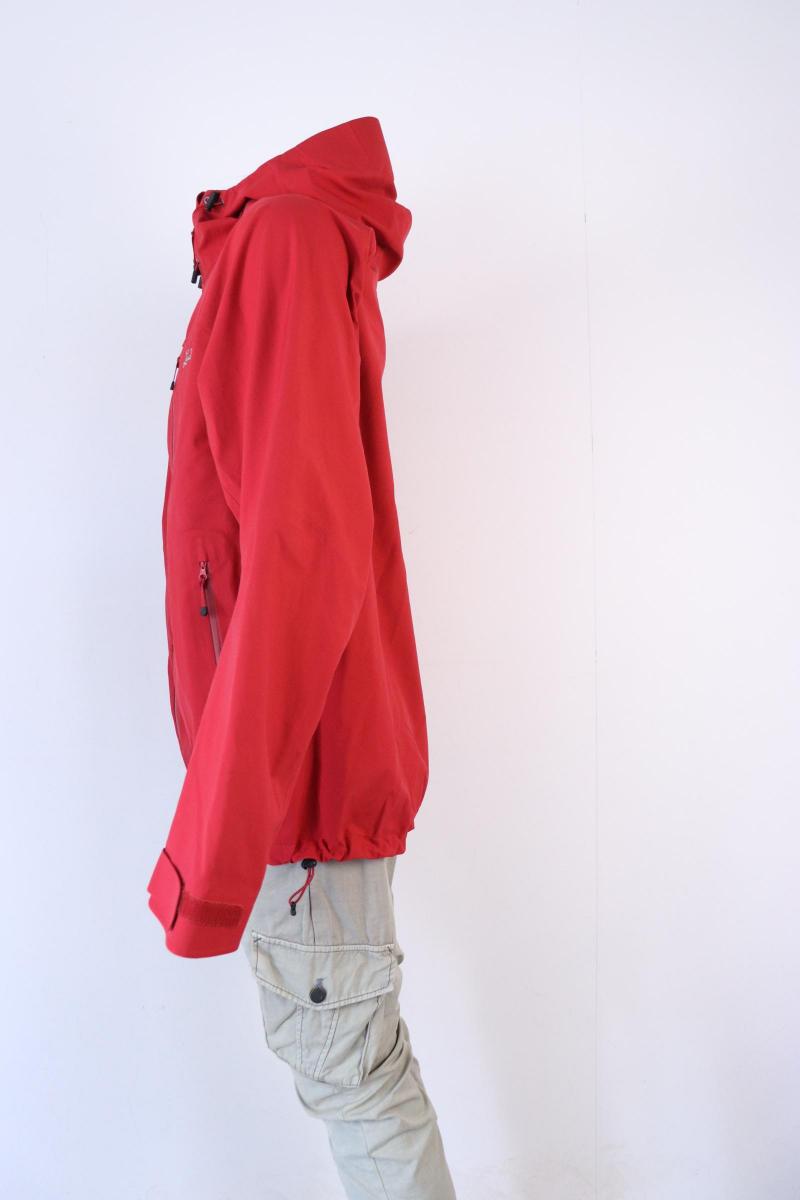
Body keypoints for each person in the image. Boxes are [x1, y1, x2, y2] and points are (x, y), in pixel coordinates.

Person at [146, 115, 458, 1198]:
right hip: (303, 772)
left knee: (355, 1082)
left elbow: (298, 552)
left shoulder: (278, 241)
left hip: (302, 786)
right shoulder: (285, 241)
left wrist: (219, 836)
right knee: (360, 1075)